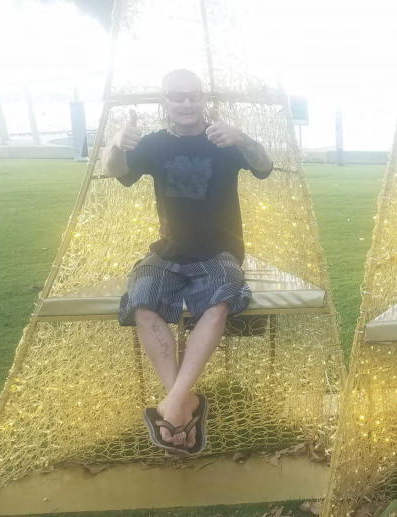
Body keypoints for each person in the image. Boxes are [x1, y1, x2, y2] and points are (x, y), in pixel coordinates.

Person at [104, 69, 273, 454]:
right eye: (176, 97)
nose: (185, 103)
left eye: (193, 96)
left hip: (220, 251)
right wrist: (116, 143)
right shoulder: (152, 144)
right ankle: (184, 403)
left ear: (202, 99)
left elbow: (264, 166)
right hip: (168, 250)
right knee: (142, 303)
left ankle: (172, 408)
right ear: (165, 101)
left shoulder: (223, 139)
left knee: (219, 304)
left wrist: (242, 137)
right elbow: (115, 171)